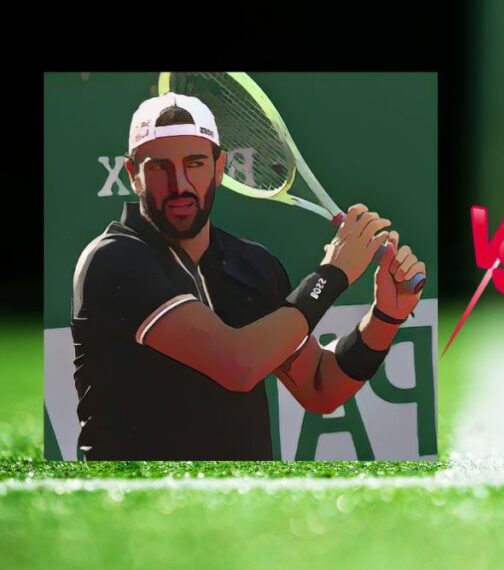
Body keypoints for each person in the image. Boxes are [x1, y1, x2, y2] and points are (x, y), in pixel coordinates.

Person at [71, 92, 426, 460]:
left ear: (220, 166)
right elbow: (237, 365)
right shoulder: (112, 259)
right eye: (159, 167)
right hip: (133, 510)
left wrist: (387, 314)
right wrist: (333, 274)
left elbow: (320, 385)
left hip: (246, 511)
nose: (179, 184)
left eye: (194, 163)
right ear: (133, 175)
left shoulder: (254, 265)